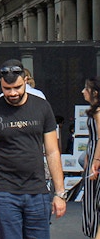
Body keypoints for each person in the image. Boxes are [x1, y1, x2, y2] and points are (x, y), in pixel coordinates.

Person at [0, 59, 66, 239]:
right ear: (0, 84)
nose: (12, 93)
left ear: (25, 81)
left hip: (38, 191)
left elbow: (52, 151)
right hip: (5, 192)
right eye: (7, 89)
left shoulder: (42, 107)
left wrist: (60, 193)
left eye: (17, 87)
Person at [81, 76, 100, 239]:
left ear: (94, 92)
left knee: (95, 200)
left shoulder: (99, 112)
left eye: (86, 89)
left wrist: (95, 161)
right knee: (92, 199)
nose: (83, 92)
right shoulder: (94, 111)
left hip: (97, 156)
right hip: (93, 153)